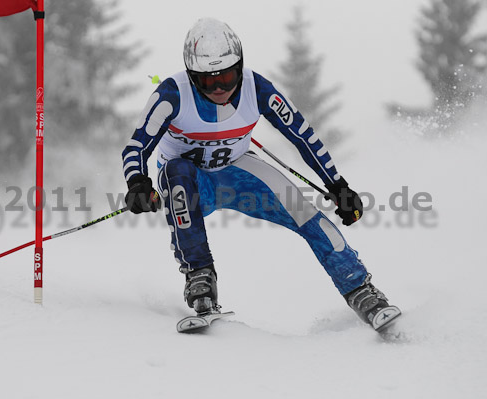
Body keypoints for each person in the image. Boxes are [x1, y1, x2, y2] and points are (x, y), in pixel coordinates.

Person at [121, 18, 400, 331]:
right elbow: (136, 147)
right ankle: (200, 279)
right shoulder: (172, 93)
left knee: (306, 214)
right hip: (190, 185)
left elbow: (302, 135)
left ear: (240, 67)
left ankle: (361, 289)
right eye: (208, 81)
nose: (219, 89)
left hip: (239, 176)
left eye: (227, 77)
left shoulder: (258, 88)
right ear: (191, 75)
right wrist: (137, 181)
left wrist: (337, 185)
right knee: (177, 170)